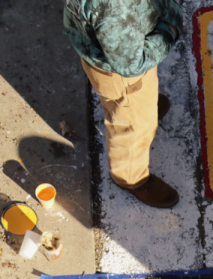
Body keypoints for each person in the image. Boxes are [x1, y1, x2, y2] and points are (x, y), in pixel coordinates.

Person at [63, 0, 183, 209]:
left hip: (116, 45)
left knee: (138, 101)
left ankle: (147, 106)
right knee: (132, 125)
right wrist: (168, 32)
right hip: (120, 71)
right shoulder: (111, 8)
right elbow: (131, 64)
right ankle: (130, 176)